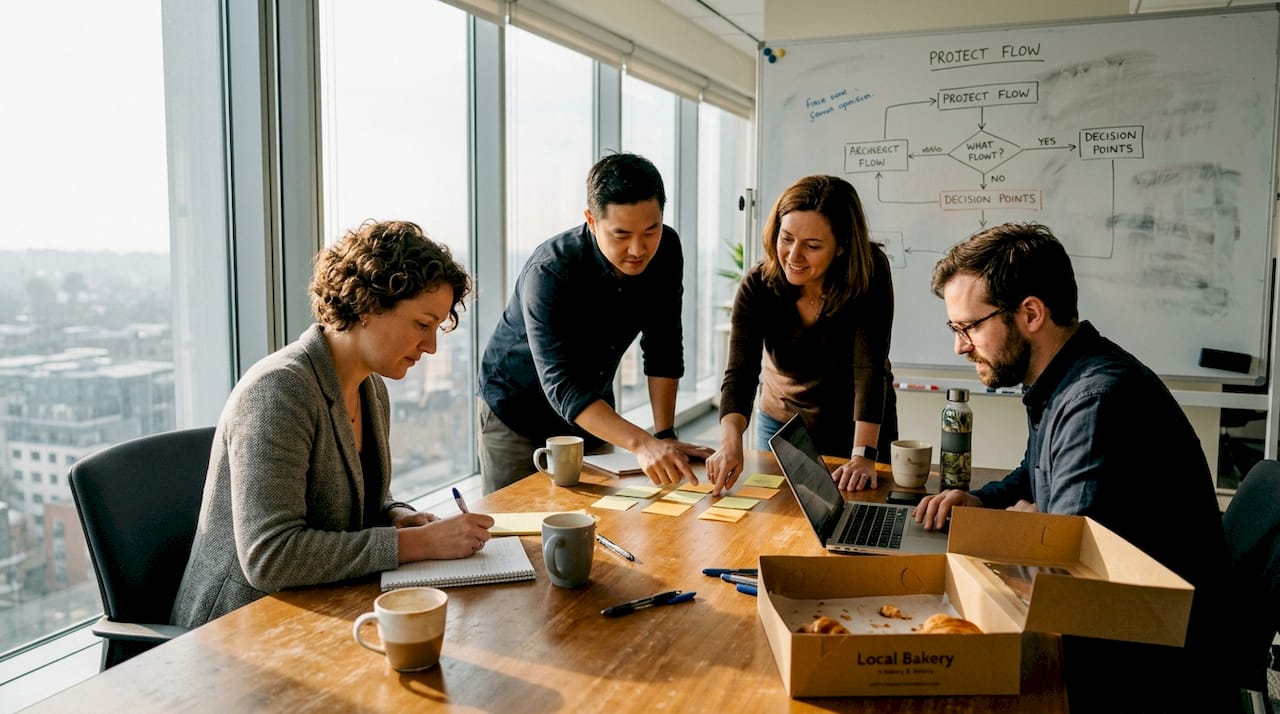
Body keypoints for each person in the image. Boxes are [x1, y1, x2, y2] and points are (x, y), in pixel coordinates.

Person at [916, 221, 1235, 711]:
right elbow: (1032, 475)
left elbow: (1058, 572)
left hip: (1141, 666)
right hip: (1120, 631)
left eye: (969, 326)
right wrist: (983, 501)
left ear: (1030, 313)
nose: (960, 346)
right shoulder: (1061, 379)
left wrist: (1028, 530)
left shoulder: (1096, 401)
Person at [171, 220, 495, 628]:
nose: (431, 346)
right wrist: (413, 544)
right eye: (422, 324)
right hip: (239, 630)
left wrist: (397, 516)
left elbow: (361, 499)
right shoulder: (279, 391)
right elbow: (269, 557)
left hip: (321, 608)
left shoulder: (370, 387)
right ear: (367, 306)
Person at [477, 152, 699, 494]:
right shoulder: (550, 271)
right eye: (621, 234)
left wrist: (664, 434)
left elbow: (664, 344)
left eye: (650, 230)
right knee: (516, 530)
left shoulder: (666, 248)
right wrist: (640, 444)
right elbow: (562, 385)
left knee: (599, 518)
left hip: (593, 409)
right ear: (591, 221)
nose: (638, 249)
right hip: (517, 410)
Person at [707, 175, 897, 496]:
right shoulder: (758, 285)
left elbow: (869, 370)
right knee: (780, 516)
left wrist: (863, 457)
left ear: (841, 247)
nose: (793, 256)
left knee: (859, 515)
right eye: (787, 238)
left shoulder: (869, 272)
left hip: (859, 427)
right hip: (784, 425)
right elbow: (740, 375)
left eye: (812, 246)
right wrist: (729, 443)